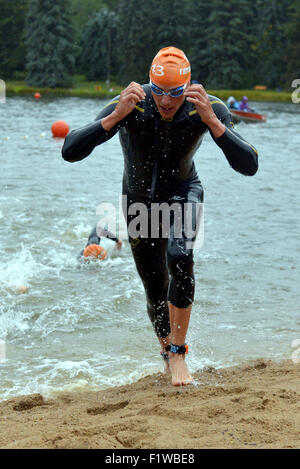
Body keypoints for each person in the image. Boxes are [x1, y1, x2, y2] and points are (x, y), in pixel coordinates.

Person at [62, 46, 258, 386]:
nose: (167, 101)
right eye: (160, 91)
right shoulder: (131, 104)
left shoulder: (205, 108)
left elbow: (250, 164)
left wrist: (212, 122)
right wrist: (113, 117)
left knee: (180, 255)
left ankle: (180, 351)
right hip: (138, 202)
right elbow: (70, 151)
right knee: (154, 285)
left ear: (188, 87)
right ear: (150, 84)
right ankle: (167, 353)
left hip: (183, 192)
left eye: (176, 93)